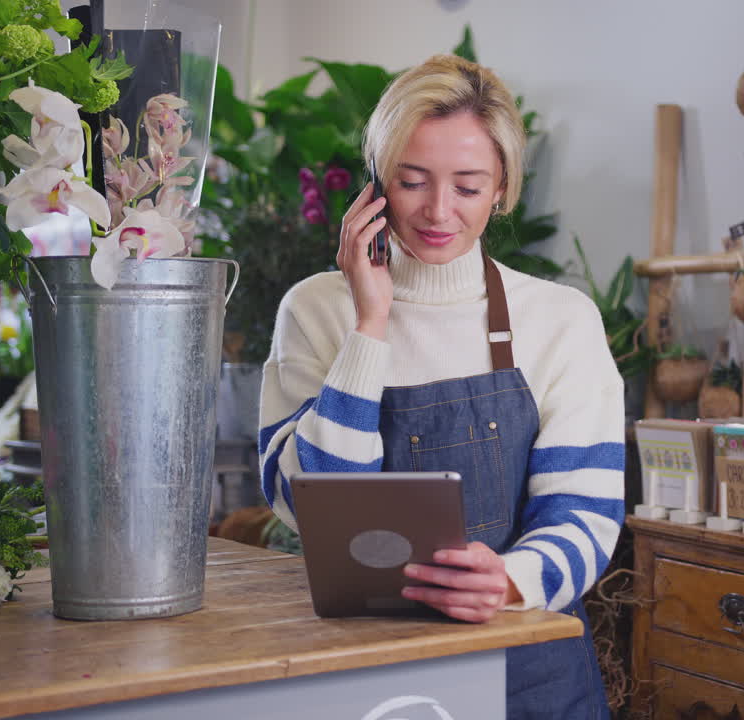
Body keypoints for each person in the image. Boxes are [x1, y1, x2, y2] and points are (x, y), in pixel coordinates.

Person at [257, 54, 623, 719]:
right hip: (366, 676)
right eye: (412, 180)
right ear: (376, 182)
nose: (437, 211)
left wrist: (507, 581)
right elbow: (311, 510)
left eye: (469, 186)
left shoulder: (561, 320)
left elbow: (586, 513)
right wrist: (368, 326)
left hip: (530, 672)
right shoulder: (314, 310)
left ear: (504, 188)